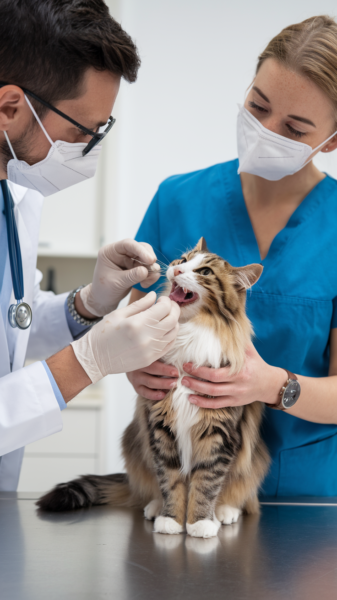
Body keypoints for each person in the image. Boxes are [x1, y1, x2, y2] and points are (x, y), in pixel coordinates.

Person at [128, 15, 337, 497]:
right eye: (257, 105)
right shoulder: (177, 200)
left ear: (332, 140)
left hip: (301, 501)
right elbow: (132, 327)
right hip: (180, 487)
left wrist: (274, 385)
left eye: (294, 128)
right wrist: (134, 363)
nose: (265, 129)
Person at [0, 0, 180, 491]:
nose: (87, 147)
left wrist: (90, 304)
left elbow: (14, 323)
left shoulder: (17, 192)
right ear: (9, 108)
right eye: (81, 130)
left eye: (100, 130)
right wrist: (87, 362)